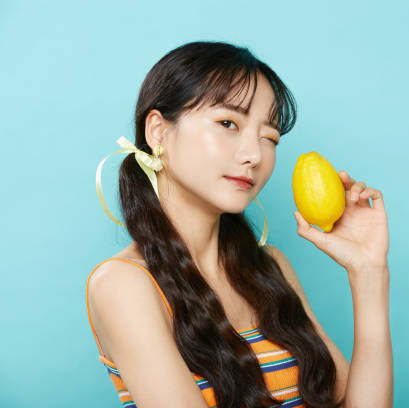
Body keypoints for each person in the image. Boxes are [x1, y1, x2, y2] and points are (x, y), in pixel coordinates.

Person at [85, 41, 392, 408]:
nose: (254, 155)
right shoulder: (125, 284)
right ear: (158, 131)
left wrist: (369, 271)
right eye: (228, 123)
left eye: (269, 138)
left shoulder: (271, 267)